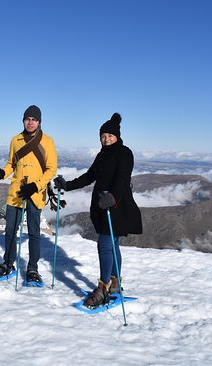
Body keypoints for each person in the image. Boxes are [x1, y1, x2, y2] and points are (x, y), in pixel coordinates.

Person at [53, 113, 142, 308]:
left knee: (105, 244)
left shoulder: (125, 153)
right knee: (113, 244)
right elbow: (89, 176)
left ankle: (103, 289)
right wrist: (67, 185)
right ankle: (115, 283)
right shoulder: (102, 155)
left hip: (117, 205)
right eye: (103, 136)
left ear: (117, 136)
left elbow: (122, 179)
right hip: (103, 205)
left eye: (110, 135)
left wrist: (112, 197)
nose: (106, 139)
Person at [0, 105, 58, 285]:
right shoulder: (16, 140)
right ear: (23, 120)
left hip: (35, 193)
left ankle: (32, 269)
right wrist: (1, 173)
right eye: (27, 119)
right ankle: (8, 263)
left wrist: (36, 186)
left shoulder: (47, 141)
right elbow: (11, 165)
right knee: (11, 229)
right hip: (17, 191)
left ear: (39, 122)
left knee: (34, 232)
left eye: (34, 119)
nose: (30, 122)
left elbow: (52, 169)